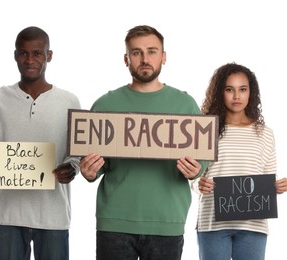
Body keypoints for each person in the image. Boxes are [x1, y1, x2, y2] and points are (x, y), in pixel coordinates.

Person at [79, 25, 208, 260]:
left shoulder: (186, 105)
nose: (145, 59)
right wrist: (88, 172)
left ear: (164, 57)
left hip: (167, 220)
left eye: (152, 51)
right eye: (137, 52)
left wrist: (196, 170)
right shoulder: (105, 105)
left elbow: (202, 160)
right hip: (115, 222)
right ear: (126, 59)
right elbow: (95, 166)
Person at [0, 26, 81, 260]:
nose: (30, 59)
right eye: (23, 53)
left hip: (53, 215)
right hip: (8, 215)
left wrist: (72, 168)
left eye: (37, 53)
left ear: (49, 55)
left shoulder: (70, 101)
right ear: (15, 56)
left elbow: (77, 153)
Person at [194, 62, 287, 260]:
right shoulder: (206, 130)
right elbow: (194, 175)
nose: (237, 96)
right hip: (212, 221)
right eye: (229, 89)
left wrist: (278, 186)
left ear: (250, 93)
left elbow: (267, 178)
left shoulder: (265, 134)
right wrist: (197, 184)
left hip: (252, 224)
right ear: (220, 93)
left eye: (242, 89)